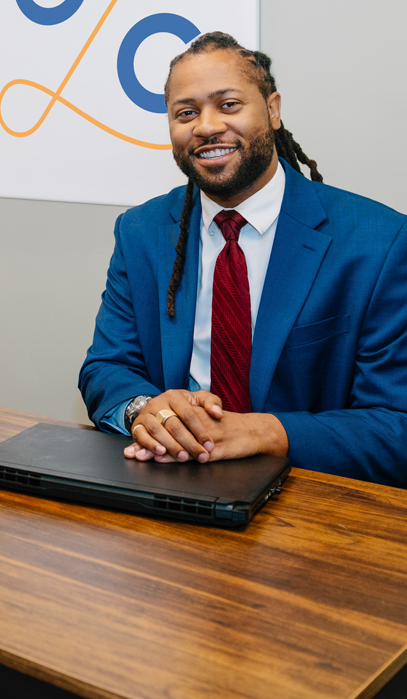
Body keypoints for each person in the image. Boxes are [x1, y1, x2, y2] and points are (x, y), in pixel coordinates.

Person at [79, 32, 407, 488]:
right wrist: (143, 410)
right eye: (186, 113)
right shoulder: (142, 232)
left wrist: (265, 431)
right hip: (167, 489)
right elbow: (106, 367)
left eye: (228, 104)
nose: (206, 126)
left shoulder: (379, 242)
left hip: (307, 505)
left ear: (272, 110)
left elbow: (396, 427)